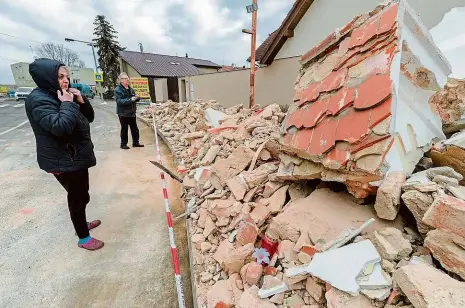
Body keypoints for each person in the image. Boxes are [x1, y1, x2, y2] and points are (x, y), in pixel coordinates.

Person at [25, 58, 104, 251]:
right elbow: (60, 127)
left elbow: (89, 118)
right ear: (48, 77)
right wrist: (68, 104)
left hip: (73, 156)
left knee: (81, 195)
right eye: (60, 76)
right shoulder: (39, 99)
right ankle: (83, 238)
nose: (66, 80)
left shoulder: (61, 94)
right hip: (64, 160)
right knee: (77, 198)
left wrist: (79, 100)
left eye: (67, 76)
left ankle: (81, 225)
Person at [114, 73, 144, 149]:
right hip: (123, 113)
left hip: (131, 112)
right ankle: (123, 144)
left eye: (128, 78)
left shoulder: (130, 89)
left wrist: (137, 98)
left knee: (135, 129)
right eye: (125, 78)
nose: (127, 79)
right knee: (124, 129)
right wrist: (130, 99)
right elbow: (119, 101)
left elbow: (134, 98)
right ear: (121, 80)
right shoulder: (118, 90)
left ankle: (136, 142)